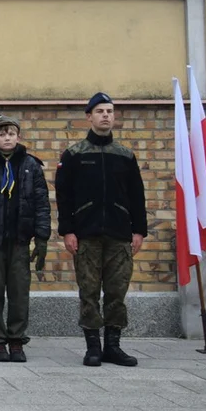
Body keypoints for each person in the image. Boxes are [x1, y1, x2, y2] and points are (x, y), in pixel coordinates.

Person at [55, 92, 147, 367]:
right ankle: (93, 346)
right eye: (100, 111)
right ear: (89, 117)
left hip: (119, 235)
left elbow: (137, 196)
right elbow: (64, 197)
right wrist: (68, 231)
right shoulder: (74, 155)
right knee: (89, 291)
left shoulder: (124, 156)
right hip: (86, 235)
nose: (106, 115)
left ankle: (114, 347)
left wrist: (138, 230)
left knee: (117, 292)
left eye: (109, 111)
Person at [0, 115, 51, 363]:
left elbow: (41, 204)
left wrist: (43, 237)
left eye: (11, 133)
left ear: (18, 137)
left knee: (19, 292)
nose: (7, 138)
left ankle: (16, 340)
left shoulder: (30, 165)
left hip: (20, 239)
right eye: (2, 134)